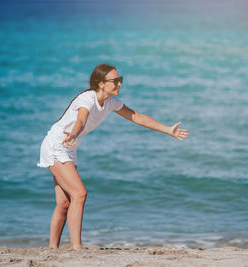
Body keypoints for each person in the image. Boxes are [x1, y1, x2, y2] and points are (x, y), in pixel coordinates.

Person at [37, 64, 189, 250]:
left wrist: (168, 130)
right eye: (115, 81)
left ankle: (53, 249)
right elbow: (81, 120)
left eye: (120, 80)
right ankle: (77, 247)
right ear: (101, 84)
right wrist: (75, 133)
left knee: (64, 202)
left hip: (69, 148)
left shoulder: (110, 102)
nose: (119, 84)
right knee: (79, 194)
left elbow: (136, 117)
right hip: (57, 145)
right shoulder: (87, 99)